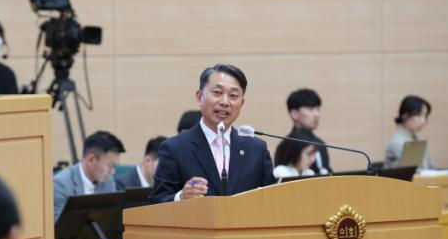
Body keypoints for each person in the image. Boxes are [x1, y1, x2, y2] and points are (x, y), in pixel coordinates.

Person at [150, 63, 275, 203]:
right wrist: (180, 197)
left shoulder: (257, 149)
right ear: (199, 97)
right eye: (217, 93)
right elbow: (157, 201)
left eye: (233, 95)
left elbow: (273, 200)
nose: (225, 102)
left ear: (242, 103)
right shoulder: (175, 148)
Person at [53, 131, 125, 221]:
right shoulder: (60, 185)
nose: (112, 172)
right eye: (110, 165)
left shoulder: (108, 182)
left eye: (115, 166)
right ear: (91, 160)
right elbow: (58, 227)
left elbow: (110, 220)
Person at [275, 88, 331, 174]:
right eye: (310, 109)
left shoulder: (320, 143)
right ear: (294, 114)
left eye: (318, 109)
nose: (317, 114)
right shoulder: (286, 146)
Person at [384, 95, 433, 169]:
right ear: (405, 115)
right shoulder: (395, 144)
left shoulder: (419, 139)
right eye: (418, 115)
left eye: (425, 116)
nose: (423, 121)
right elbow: (411, 172)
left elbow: (430, 167)